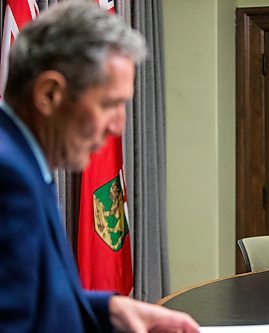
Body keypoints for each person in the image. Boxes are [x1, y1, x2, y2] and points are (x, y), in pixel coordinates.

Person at [0, 2, 199, 332]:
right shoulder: (9, 176)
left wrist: (111, 308)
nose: (118, 126)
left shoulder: (25, 161)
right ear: (49, 94)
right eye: (109, 104)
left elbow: (32, 299)